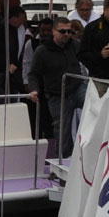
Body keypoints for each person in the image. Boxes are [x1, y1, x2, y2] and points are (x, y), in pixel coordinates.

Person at [28, 16, 86, 158]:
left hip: (77, 88)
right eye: (63, 31)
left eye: (69, 31)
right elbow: (33, 74)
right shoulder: (42, 51)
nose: (67, 34)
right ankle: (63, 161)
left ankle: (92, 149)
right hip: (57, 95)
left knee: (94, 105)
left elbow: (89, 58)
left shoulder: (75, 45)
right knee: (62, 131)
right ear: (54, 31)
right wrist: (34, 89)